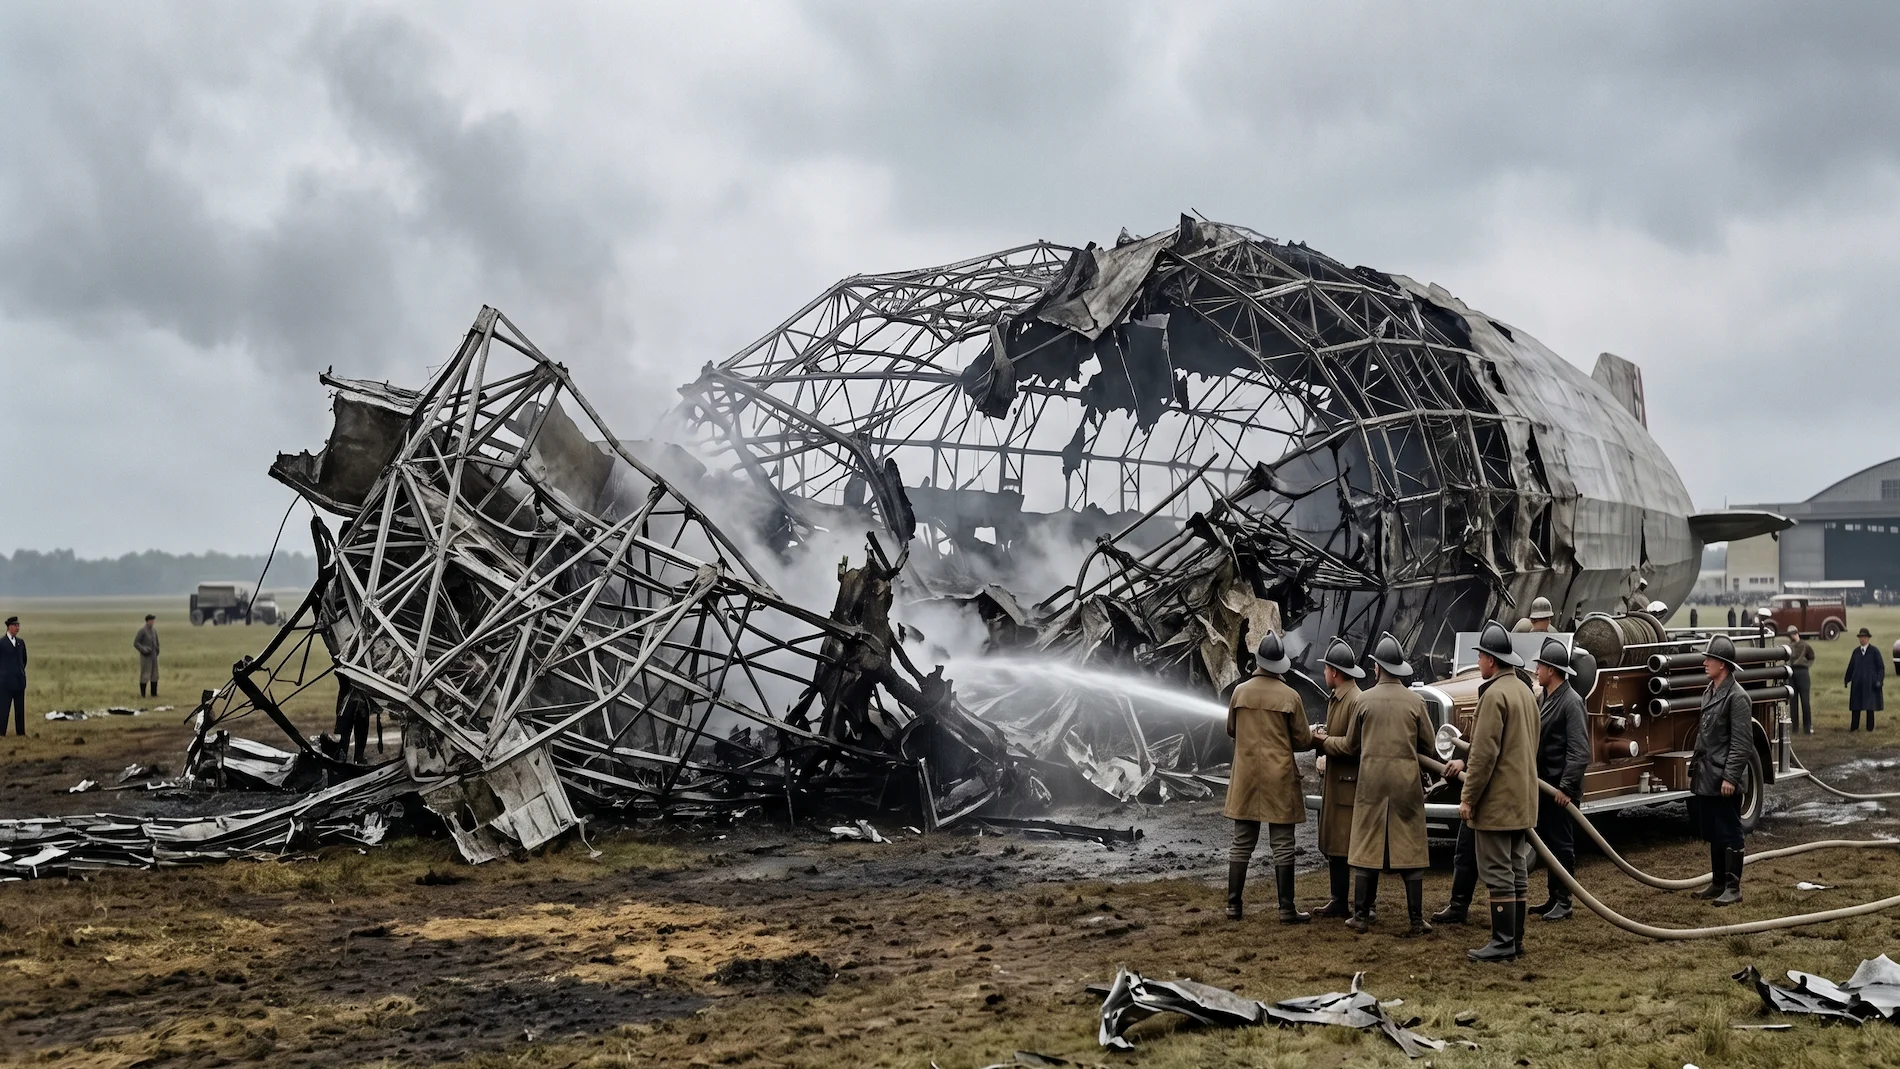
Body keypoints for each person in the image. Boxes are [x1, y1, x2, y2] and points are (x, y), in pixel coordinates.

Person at [1443, 621, 1539, 962]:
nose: (1479, 662)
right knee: (1516, 869)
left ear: (1491, 660)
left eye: (1481, 656)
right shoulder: (1526, 693)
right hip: (1521, 798)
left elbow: (1483, 756)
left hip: (1497, 803)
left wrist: (1468, 798)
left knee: (1498, 871)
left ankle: (1502, 942)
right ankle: (1515, 940)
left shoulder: (1493, 695)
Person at [1340, 632, 1436, 937]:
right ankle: (1416, 919)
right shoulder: (1416, 701)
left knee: (1367, 847)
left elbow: (1351, 745)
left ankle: (1361, 917)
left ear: (1378, 668)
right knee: (1411, 847)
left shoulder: (1363, 700)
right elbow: (1430, 746)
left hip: (1371, 783)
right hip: (1406, 783)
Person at [1221, 632, 1319, 922]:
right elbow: (1302, 740)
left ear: (1258, 661)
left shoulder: (1240, 692)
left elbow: (1231, 729)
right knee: (1283, 844)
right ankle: (1286, 908)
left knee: (1241, 842)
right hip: (1280, 778)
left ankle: (1233, 906)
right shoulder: (1291, 696)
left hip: (1247, 776)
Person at [1528, 638, 1589, 922]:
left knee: (1561, 844)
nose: (1536, 670)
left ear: (1551, 670)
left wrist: (1566, 788)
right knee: (1550, 844)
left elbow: (1579, 751)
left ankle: (1564, 901)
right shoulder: (1546, 698)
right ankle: (1554, 897)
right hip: (1546, 787)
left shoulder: (1571, 702)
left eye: (1540, 665)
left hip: (1559, 790)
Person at [1692, 635, 1754, 906]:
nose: (1705, 662)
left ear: (1723, 665)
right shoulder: (1710, 691)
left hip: (1723, 778)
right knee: (1715, 832)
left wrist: (1730, 776)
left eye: (1710, 659)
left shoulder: (1737, 697)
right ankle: (1718, 883)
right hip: (1708, 777)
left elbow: (1741, 743)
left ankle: (1733, 887)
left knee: (1730, 831)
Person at [1313, 637, 1365, 919]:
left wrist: (1322, 741)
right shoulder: (1337, 698)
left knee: (1349, 846)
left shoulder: (1355, 700)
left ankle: (1359, 906)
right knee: (1335, 845)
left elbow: (1351, 746)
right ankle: (1338, 901)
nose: (1324, 674)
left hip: (1348, 784)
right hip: (1336, 783)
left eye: (1326, 669)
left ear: (1335, 672)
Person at [1845, 627, 1884, 732]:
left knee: (1869, 706)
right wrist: (1847, 679)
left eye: (1864, 637)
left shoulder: (1874, 651)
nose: (1862, 639)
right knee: (1855, 706)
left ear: (1868, 638)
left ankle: (1869, 728)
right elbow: (1851, 667)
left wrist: (1879, 680)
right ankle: (1854, 727)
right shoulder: (1856, 652)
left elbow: (1881, 667)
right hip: (1857, 683)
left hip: (1870, 683)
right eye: (1861, 637)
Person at [1786, 624, 1815, 734]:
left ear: (1796, 633)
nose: (1791, 636)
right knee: (1793, 702)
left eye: (1792, 634)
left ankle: (1807, 727)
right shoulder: (1789, 646)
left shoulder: (1805, 645)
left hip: (1802, 672)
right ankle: (1795, 728)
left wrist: (1806, 665)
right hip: (1792, 672)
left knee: (1805, 701)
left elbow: (1811, 656)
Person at [0, 616, 25, 737]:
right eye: (16, 625)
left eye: (18, 625)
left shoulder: (21, 642)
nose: (18, 628)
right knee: (4, 709)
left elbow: (24, 660)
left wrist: (20, 672)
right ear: (9, 626)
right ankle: (1, 733)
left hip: (19, 682)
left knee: (20, 710)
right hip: (6, 683)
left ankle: (21, 733)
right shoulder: (1, 643)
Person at [134, 614, 161, 699]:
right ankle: (143, 694)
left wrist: (157, 649)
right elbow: (136, 643)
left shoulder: (154, 630)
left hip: (154, 656)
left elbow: (157, 641)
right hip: (146, 657)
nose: (153, 622)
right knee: (145, 675)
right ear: (148, 621)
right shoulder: (142, 630)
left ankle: (154, 693)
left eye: (153, 620)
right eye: (151, 620)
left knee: (155, 675)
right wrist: (143, 649)